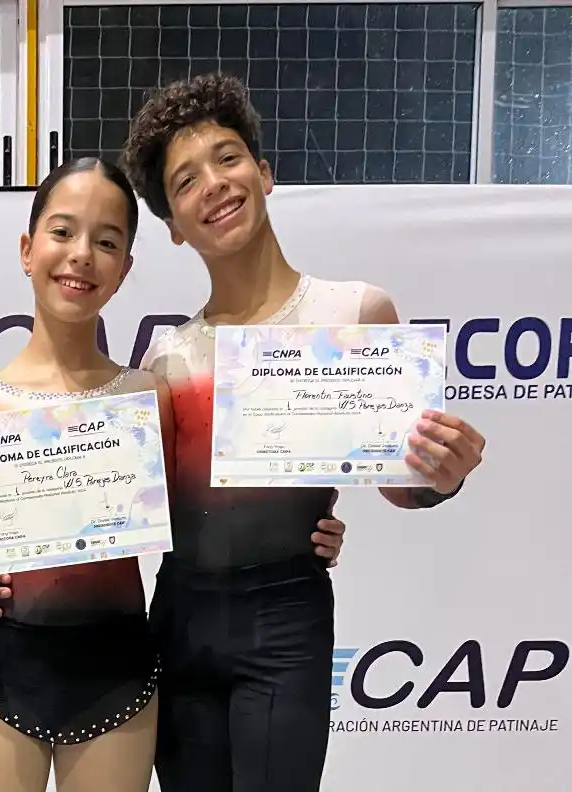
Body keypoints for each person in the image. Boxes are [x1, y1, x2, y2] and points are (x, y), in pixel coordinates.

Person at [117, 72, 487, 792]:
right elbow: (132, 508)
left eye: (228, 159)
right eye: (186, 180)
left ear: (263, 171)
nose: (215, 185)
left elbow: (401, 484)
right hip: (178, 621)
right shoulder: (166, 357)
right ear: (172, 225)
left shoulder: (354, 311)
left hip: (285, 621)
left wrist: (442, 476)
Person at [0, 157, 166, 792]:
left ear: (124, 270)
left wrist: (309, 529)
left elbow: (202, 521)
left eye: (106, 242)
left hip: (118, 677)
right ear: (27, 249)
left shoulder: (146, 400)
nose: (81, 255)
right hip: (7, 675)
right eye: (62, 232)